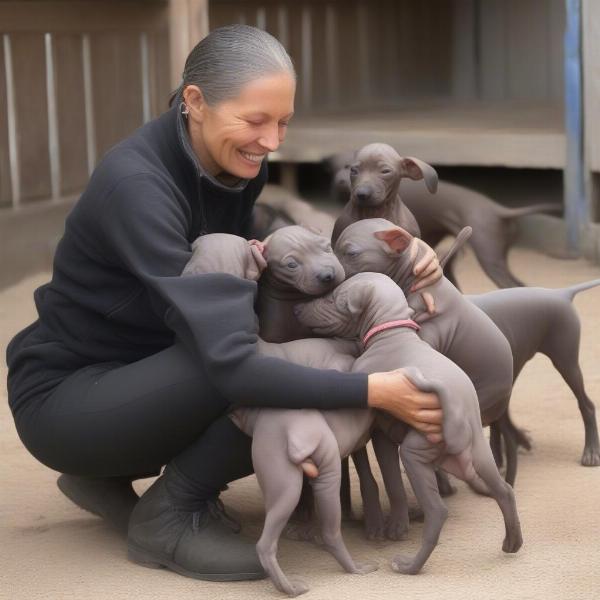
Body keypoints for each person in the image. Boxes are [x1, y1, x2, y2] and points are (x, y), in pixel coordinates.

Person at [5, 25, 444, 582]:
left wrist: (406, 252)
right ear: (195, 102)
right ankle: (167, 515)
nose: (272, 140)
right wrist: (372, 390)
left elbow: (290, 258)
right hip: (69, 400)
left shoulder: (228, 162)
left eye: (283, 121)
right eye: (255, 120)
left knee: (279, 327)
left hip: (145, 372)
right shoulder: (137, 185)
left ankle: (104, 476)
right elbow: (233, 365)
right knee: (277, 361)